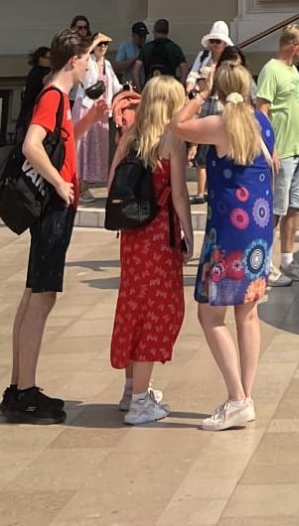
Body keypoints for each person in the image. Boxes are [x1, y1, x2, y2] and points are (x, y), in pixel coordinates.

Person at [3, 25, 109, 426]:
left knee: (34, 292)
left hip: (54, 205)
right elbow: (33, 145)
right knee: (42, 296)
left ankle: (19, 386)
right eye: (86, 60)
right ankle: (25, 390)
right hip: (53, 208)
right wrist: (59, 182)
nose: (88, 68)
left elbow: (57, 143)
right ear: (74, 60)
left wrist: (87, 122)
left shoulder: (60, 97)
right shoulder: (53, 95)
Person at [172, 56, 275, 431]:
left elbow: (177, 126)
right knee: (248, 313)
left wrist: (197, 95)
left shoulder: (219, 125)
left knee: (210, 315)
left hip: (230, 231)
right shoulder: (262, 122)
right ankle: (244, 396)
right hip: (259, 231)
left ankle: (236, 397)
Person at [109, 75, 192, 424]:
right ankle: (142, 400)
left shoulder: (131, 136)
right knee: (156, 311)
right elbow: (179, 194)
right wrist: (189, 234)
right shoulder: (172, 140)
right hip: (159, 236)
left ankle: (131, 389)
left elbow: (112, 178)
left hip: (132, 236)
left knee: (134, 304)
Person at [256, 25, 299, 286]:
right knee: (276, 209)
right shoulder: (272, 69)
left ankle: (288, 259)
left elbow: (297, 106)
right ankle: (264, 264)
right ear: (293, 44)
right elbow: (263, 110)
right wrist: (271, 147)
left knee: (294, 207)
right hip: (283, 151)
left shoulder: (293, 70)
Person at [71, 31, 122, 200]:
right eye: (100, 44)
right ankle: (80, 186)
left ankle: (86, 185)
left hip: (101, 111)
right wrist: (93, 43)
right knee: (83, 148)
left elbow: (115, 86)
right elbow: (88, 79)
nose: (103, 47)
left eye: (106, 44)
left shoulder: (107, 64)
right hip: (86, 108)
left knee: (95, 149)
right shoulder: (88, 61)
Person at [187, 23, 234, 196]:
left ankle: (216, 187)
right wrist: (190, 87)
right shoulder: (203, 56)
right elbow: (192, 74)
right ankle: (201, 192)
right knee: (202, 147)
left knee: (222, 148)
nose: (215, 44)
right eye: (212, 41)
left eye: (218, 41)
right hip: (205, 102)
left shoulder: (229, 61)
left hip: (222, 104)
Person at [141, 18, 186, 83]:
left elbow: (136, 70)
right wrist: (180, 87)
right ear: (167, 32)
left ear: (154, 31)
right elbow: (184, 70)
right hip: (169, 86)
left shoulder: (146, 48)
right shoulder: (175, 48)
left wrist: (139, 89)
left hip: (151, 86)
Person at [113, 21, 149, 93]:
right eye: (140, 36)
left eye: (144, 36)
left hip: (145, 85)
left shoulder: (148, 46)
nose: (142, 39)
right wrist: (131, 61)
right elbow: (116, 68)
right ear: (133, 35)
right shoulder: (125, 46)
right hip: (129, 85)